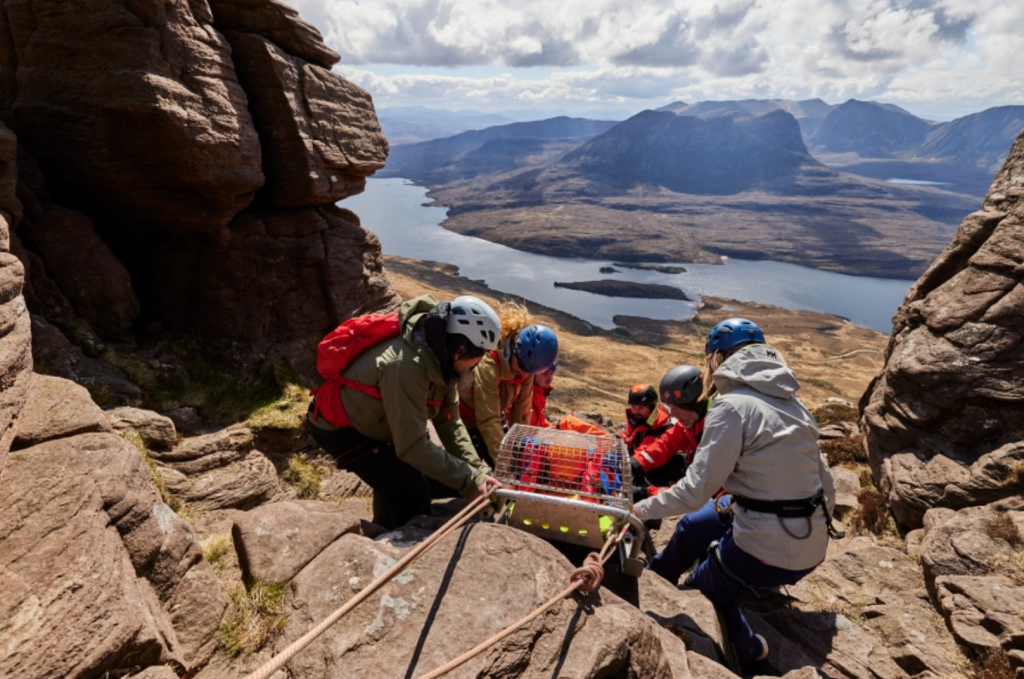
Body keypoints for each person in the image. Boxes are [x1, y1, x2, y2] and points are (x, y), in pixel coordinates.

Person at [634, 318, 841, 676]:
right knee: (695, 523)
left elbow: (694, 490)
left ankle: (746, 647)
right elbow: (828, 487)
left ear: (718, 360)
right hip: (811, 545)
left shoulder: (730, 407)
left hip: (767, 553)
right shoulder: (794, 406)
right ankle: (656, 574)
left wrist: (635, 509)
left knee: (701, 587)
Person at [306, 295, 503, 530]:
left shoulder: (443, 361)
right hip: (341, 430)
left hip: (378, 422)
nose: (478, 365)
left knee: (408, 479)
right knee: (411, 493)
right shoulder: (406, 365)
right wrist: (469, 480)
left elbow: (449, 421)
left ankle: (382, 527)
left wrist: (477, 472)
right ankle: (389, 551)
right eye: (478, 357)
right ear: (459, 350)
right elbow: (411, 445)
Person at [459, 302, 559, 466]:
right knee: (470, 472)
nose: (525, 374)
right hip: (467, 420)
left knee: (512, 463)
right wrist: (505, 465)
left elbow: (522, 411)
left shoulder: (526, 366)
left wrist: (520, 449)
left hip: (495, 416)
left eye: (530, 372)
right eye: (522, 368)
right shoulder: (489, 364)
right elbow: (488, 420)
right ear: (514, 350)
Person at [630, 365, 707, 500]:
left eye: (676, 408)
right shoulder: (692, 422)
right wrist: (635, 463)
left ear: (693, 404)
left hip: (726, 500)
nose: (672, 414)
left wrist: (648, 493)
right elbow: (666, 443)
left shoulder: (715, 434)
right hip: (706, 491)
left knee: (689, 522)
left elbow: (695, 491)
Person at [530, 361, 556, 427]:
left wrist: (549, 425)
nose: (549, 378)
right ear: (533, 374)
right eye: (545, 373)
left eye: (552, 373)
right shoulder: (525, 396)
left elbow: (538, 422)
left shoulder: (540, 394)